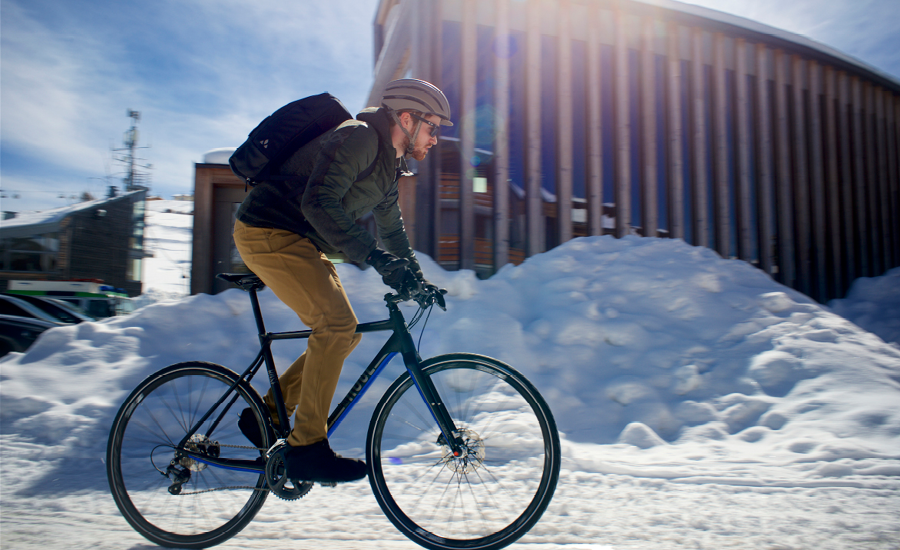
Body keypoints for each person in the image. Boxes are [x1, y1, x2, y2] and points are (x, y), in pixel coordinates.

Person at [231, 79, 452, 483]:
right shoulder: (360, 138)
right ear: (406, 118)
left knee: (344, 333)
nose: (436, 138)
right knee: (334, 326)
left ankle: (267, 415)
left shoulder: (387, 170)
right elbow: (318, 202)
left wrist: (415, 279)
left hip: (296, 239)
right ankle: (306, 448)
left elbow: (393, 232)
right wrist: (375, 258)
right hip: (267, 229)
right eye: (433, 127)